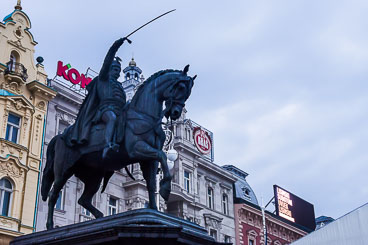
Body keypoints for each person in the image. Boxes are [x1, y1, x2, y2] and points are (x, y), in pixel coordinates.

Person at [65, 37, 131, 159]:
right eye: (116, 69)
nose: (118, 73)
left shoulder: (119, 85)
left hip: (120, 111)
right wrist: (115, 46)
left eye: (119, 70)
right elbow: (107, 61)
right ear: (110, 69)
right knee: (112, 119)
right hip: (105, 110)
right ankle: (107, 145)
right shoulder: (103, 79)